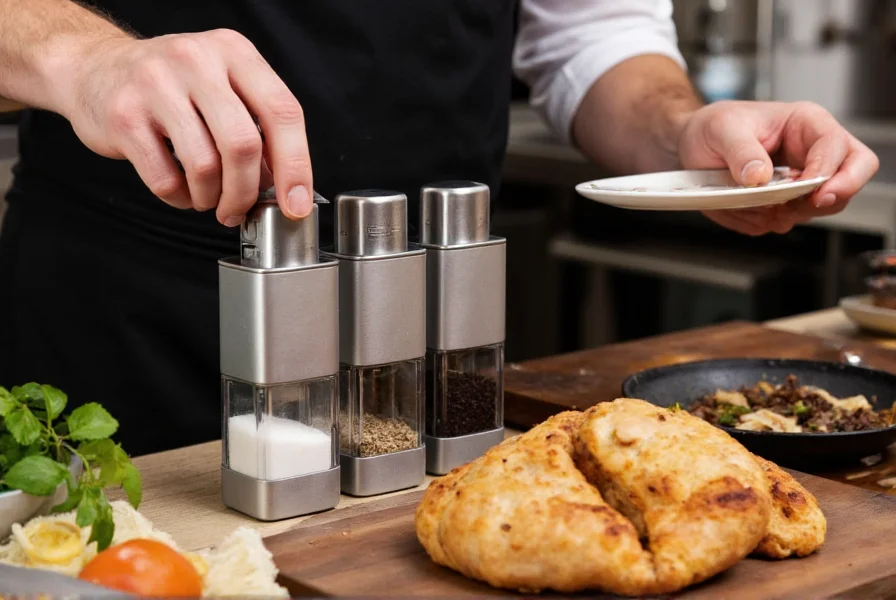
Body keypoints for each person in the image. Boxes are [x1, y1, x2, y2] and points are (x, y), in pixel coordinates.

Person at [0, 1, 878, 456]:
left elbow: (592, 34)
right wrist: (86, 58)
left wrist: (681, 133)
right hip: (130, 299)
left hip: (437, 319)